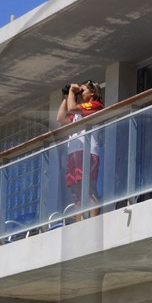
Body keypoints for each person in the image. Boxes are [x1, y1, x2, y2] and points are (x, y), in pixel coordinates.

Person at [57, 80, 104, 212]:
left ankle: (93, 221)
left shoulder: (95, 105)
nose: (80, 93)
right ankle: (80, 225)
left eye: (83, 90)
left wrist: (72, 92)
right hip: (74, 153)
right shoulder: (79, 113)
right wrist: (67, 96)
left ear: (93, 92)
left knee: (89, 189)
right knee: (76, 193)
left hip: (87, 151)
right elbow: (61, 118)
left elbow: (72, 108)